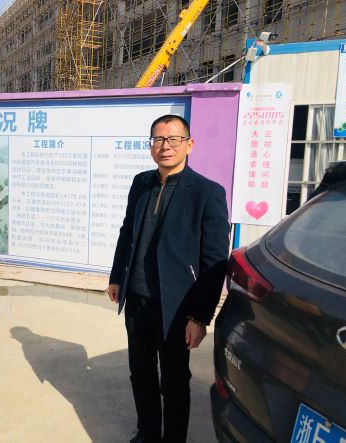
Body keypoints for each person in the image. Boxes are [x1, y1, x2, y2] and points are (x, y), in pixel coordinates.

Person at [107, 114, 230, 443]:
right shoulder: (141, 183)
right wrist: (117, 276)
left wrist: (199, 316)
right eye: (158, 140)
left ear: (189, 144)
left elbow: (214, 261)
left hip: (176, 307)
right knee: (141, 373)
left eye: (174, 139)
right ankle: (147, 433)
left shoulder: (207, 192)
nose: (165, 146)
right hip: (137, 299)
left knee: (174, 381)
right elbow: (127, 232)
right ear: (151, 146)